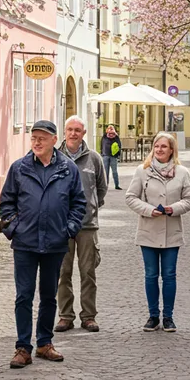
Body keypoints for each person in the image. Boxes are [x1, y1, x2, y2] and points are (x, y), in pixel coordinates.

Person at [0, 120, 87, 369]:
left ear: (54, 140)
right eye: (34, 138)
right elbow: (6, 203)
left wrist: (69, 229)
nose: (37, 142)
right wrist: (14, 228)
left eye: (42, 138)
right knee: (23, 296)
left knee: (49, 296)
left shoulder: (68, 169)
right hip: (25, 243)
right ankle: (22, 347)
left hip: (55, 243)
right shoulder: (19, 168)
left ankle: (44, 343)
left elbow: (78, 203)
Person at [124, 131, 190, 333]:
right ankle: (153, 315)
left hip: (171, 231)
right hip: (148, 230)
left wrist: (173, 208)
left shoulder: (182, 172)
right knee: (151, 275)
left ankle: (168, 317)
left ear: (172, 150)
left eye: (164, 146)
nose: (159, 149)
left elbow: (189, 200)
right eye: (156, 146)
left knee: (169, 275)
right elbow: (131, 197)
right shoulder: (142, 171)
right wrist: (148, 210)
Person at [55, 116, 107, 333]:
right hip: (60, 225)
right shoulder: (55, 157)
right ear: (64, 132)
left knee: (88, 272)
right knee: (62, 273)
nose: (73, 133)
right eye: (70, 129)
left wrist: (91, 207)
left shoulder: (94, 158)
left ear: (83, 133)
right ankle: (65, 316)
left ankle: (88, 316)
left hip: (87, 225)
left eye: (77, 130)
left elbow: (101, 189)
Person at [101, 125, 122, 189]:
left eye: (111, 128)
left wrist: (118, 154)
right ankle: (105, 185)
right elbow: (101, 144)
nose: (110, 130)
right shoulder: (105, 136)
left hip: (113, 156)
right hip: (105, 155)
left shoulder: (116, 137)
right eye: (109, 128)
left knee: (114, 171)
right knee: (105, 172)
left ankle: (117, 185)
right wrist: (102, 152)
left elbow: (119, 145)